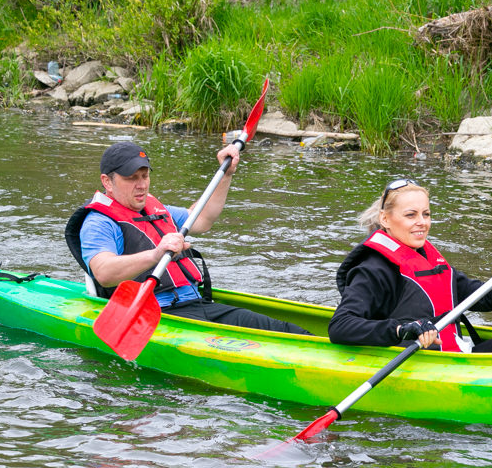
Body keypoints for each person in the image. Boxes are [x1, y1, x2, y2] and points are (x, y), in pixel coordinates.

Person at [65, 141, 309, 335]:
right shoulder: (99, 222)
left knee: (291, 332)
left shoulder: (154, 208)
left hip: (197, 304)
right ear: (107, 181)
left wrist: (226, 175)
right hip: (155, 316)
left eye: (145, 175)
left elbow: (203, 219)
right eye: (131, 178)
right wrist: (155, 254)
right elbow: (104, 273)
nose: (141, 185)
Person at [328, 179, 492, 352]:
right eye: (411, 215)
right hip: (418, 364)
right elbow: (341, 326)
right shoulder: (373, 269)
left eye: (426, 214)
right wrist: (402, 329)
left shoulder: (430, 260)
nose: (422, 223)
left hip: (456, 356)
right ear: (385, 219)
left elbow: (487, 299)